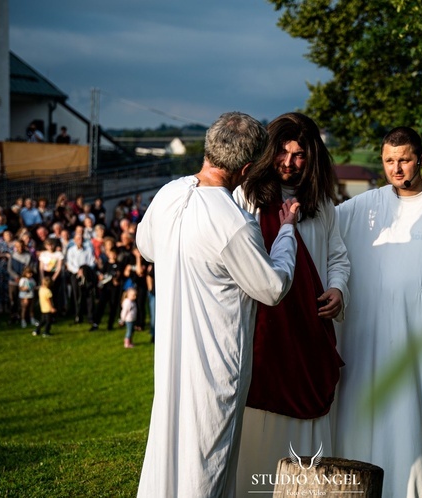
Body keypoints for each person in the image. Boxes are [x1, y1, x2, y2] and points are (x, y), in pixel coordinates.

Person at [135, 111, 300, 498]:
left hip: (173, 354)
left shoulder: (169, 193)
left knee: (169, 452)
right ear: (245, 168)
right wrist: (287, 232)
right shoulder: (235, 222)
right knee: (207, 463)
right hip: (215, 363)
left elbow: (146, 246)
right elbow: (272, 287)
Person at [334, 126, 422, 497]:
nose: (397, 169)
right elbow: (323, 228)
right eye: (389, 161)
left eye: (405, 160)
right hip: (373, 336)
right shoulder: (365, 206)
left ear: (421, 160)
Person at [232, 112, 350, 493]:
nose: (289, 162)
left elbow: (337, 257)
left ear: (311, 157)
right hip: (264, 331)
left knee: (308, 422)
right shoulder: (247, 196)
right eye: (282, 152)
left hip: (309, 331)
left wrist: (338, 289)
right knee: (259, 421)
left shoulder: (321, 205)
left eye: (299, 155)